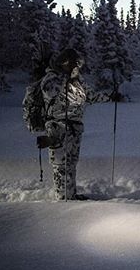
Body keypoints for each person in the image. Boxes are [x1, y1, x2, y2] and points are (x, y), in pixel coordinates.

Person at [36, 49, 116, 200]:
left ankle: (70, 195)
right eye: (74, 64)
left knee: (71, 163)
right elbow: (50, 92)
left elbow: (91, 96)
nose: (76, 67)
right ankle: (63, 199)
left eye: (78, 65)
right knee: (61, 165)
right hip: (58, 127)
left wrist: (110, 96)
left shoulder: (78, 81)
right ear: (64, 62)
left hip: (75, 129)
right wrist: (64, 76)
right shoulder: (51, 78)